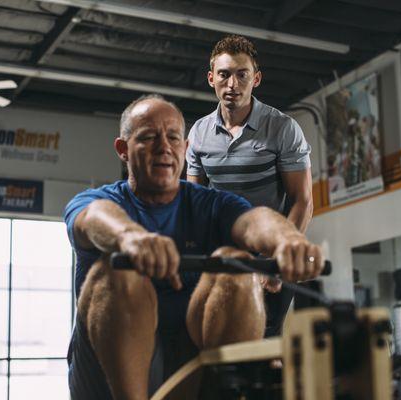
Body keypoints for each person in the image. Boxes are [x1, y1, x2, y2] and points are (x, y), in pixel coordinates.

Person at [64, 94, 325, 399]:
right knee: (120, 273)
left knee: (235, 263)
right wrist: (129, 237)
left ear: (185, 149)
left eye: (173, 137)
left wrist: (287, 239)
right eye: (148, 137)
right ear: (123, 150)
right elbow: (93, 218)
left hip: (188, 364)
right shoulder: (100, 201)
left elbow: (255, 221)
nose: (164, 147)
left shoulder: (209, 205)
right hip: (107, 371)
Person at [186, 35, 314, 336]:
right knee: (215, 343)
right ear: (211, 78)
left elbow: (302, 201)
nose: (232, 84)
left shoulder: (282, 128)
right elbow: (195, 203)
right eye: (224, 74)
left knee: (264, 346)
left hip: (271, 250)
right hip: (223, 253)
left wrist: (278, 260)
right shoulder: (199, 133)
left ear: (255, 79)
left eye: (242, 74)